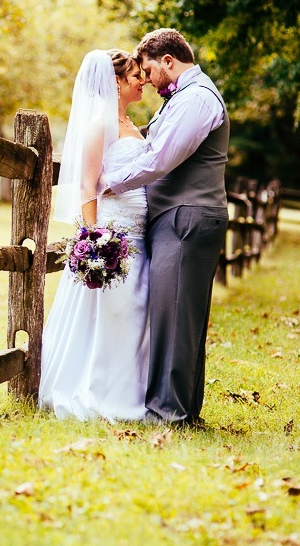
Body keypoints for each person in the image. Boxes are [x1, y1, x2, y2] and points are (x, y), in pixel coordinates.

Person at [100, 28, 229, 426]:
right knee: (181, 316)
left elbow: (159, 160)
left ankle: (167, 414)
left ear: (169, 61)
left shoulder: (196, 99)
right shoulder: (184, 98)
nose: (148, 80)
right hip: (181, 215)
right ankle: (183, 411)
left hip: (187, 215)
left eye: (151, 70)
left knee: (174, 317)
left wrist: (108, 182)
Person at [38, 48, 150, 422]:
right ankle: (97, 392)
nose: (142, 80)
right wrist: (96, 240)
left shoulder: (131, 124)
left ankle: (130, 389)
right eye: (135, 75)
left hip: (140, 237)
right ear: (116, 82)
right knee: (110, 315)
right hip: (113, 238)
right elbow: (88, 186)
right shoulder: (99, 124)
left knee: (134, 315)